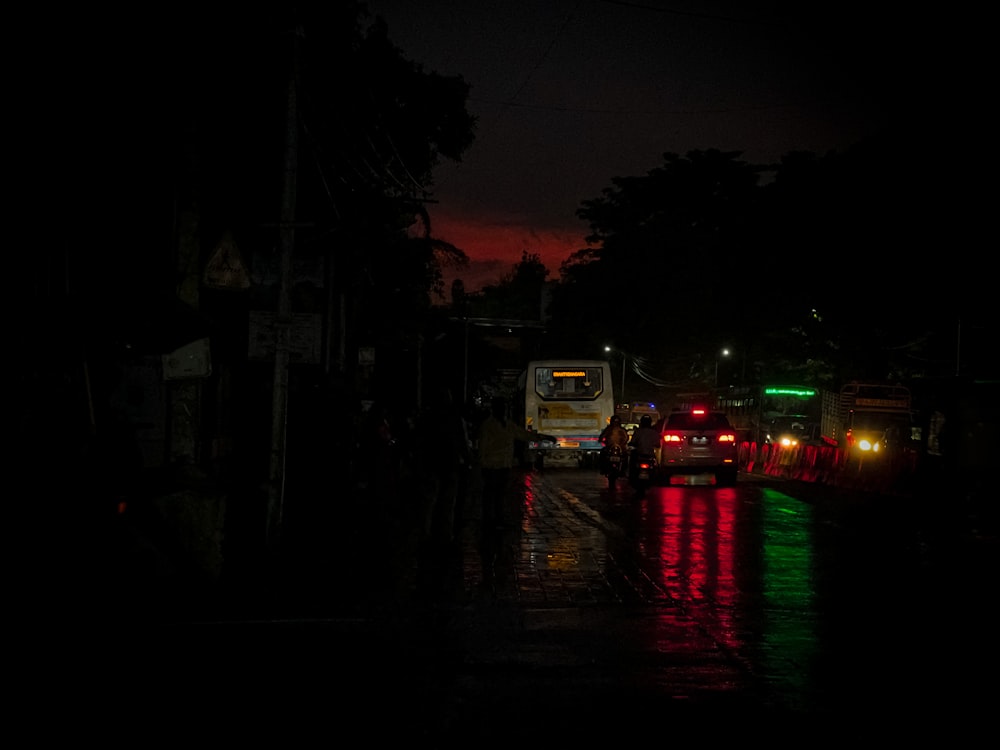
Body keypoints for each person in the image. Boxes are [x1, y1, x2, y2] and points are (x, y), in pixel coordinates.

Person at [476, 396, 554, 530]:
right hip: (491, 465)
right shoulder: (488, 425)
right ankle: (490, 519)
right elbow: (483, 446)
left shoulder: (507, 424)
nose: (504, 410)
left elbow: (524, 435)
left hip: (504, 464)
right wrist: (481, 463)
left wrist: (544, 437)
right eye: (502, 408)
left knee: (499, 493)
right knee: (491, 494)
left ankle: (497, 518)